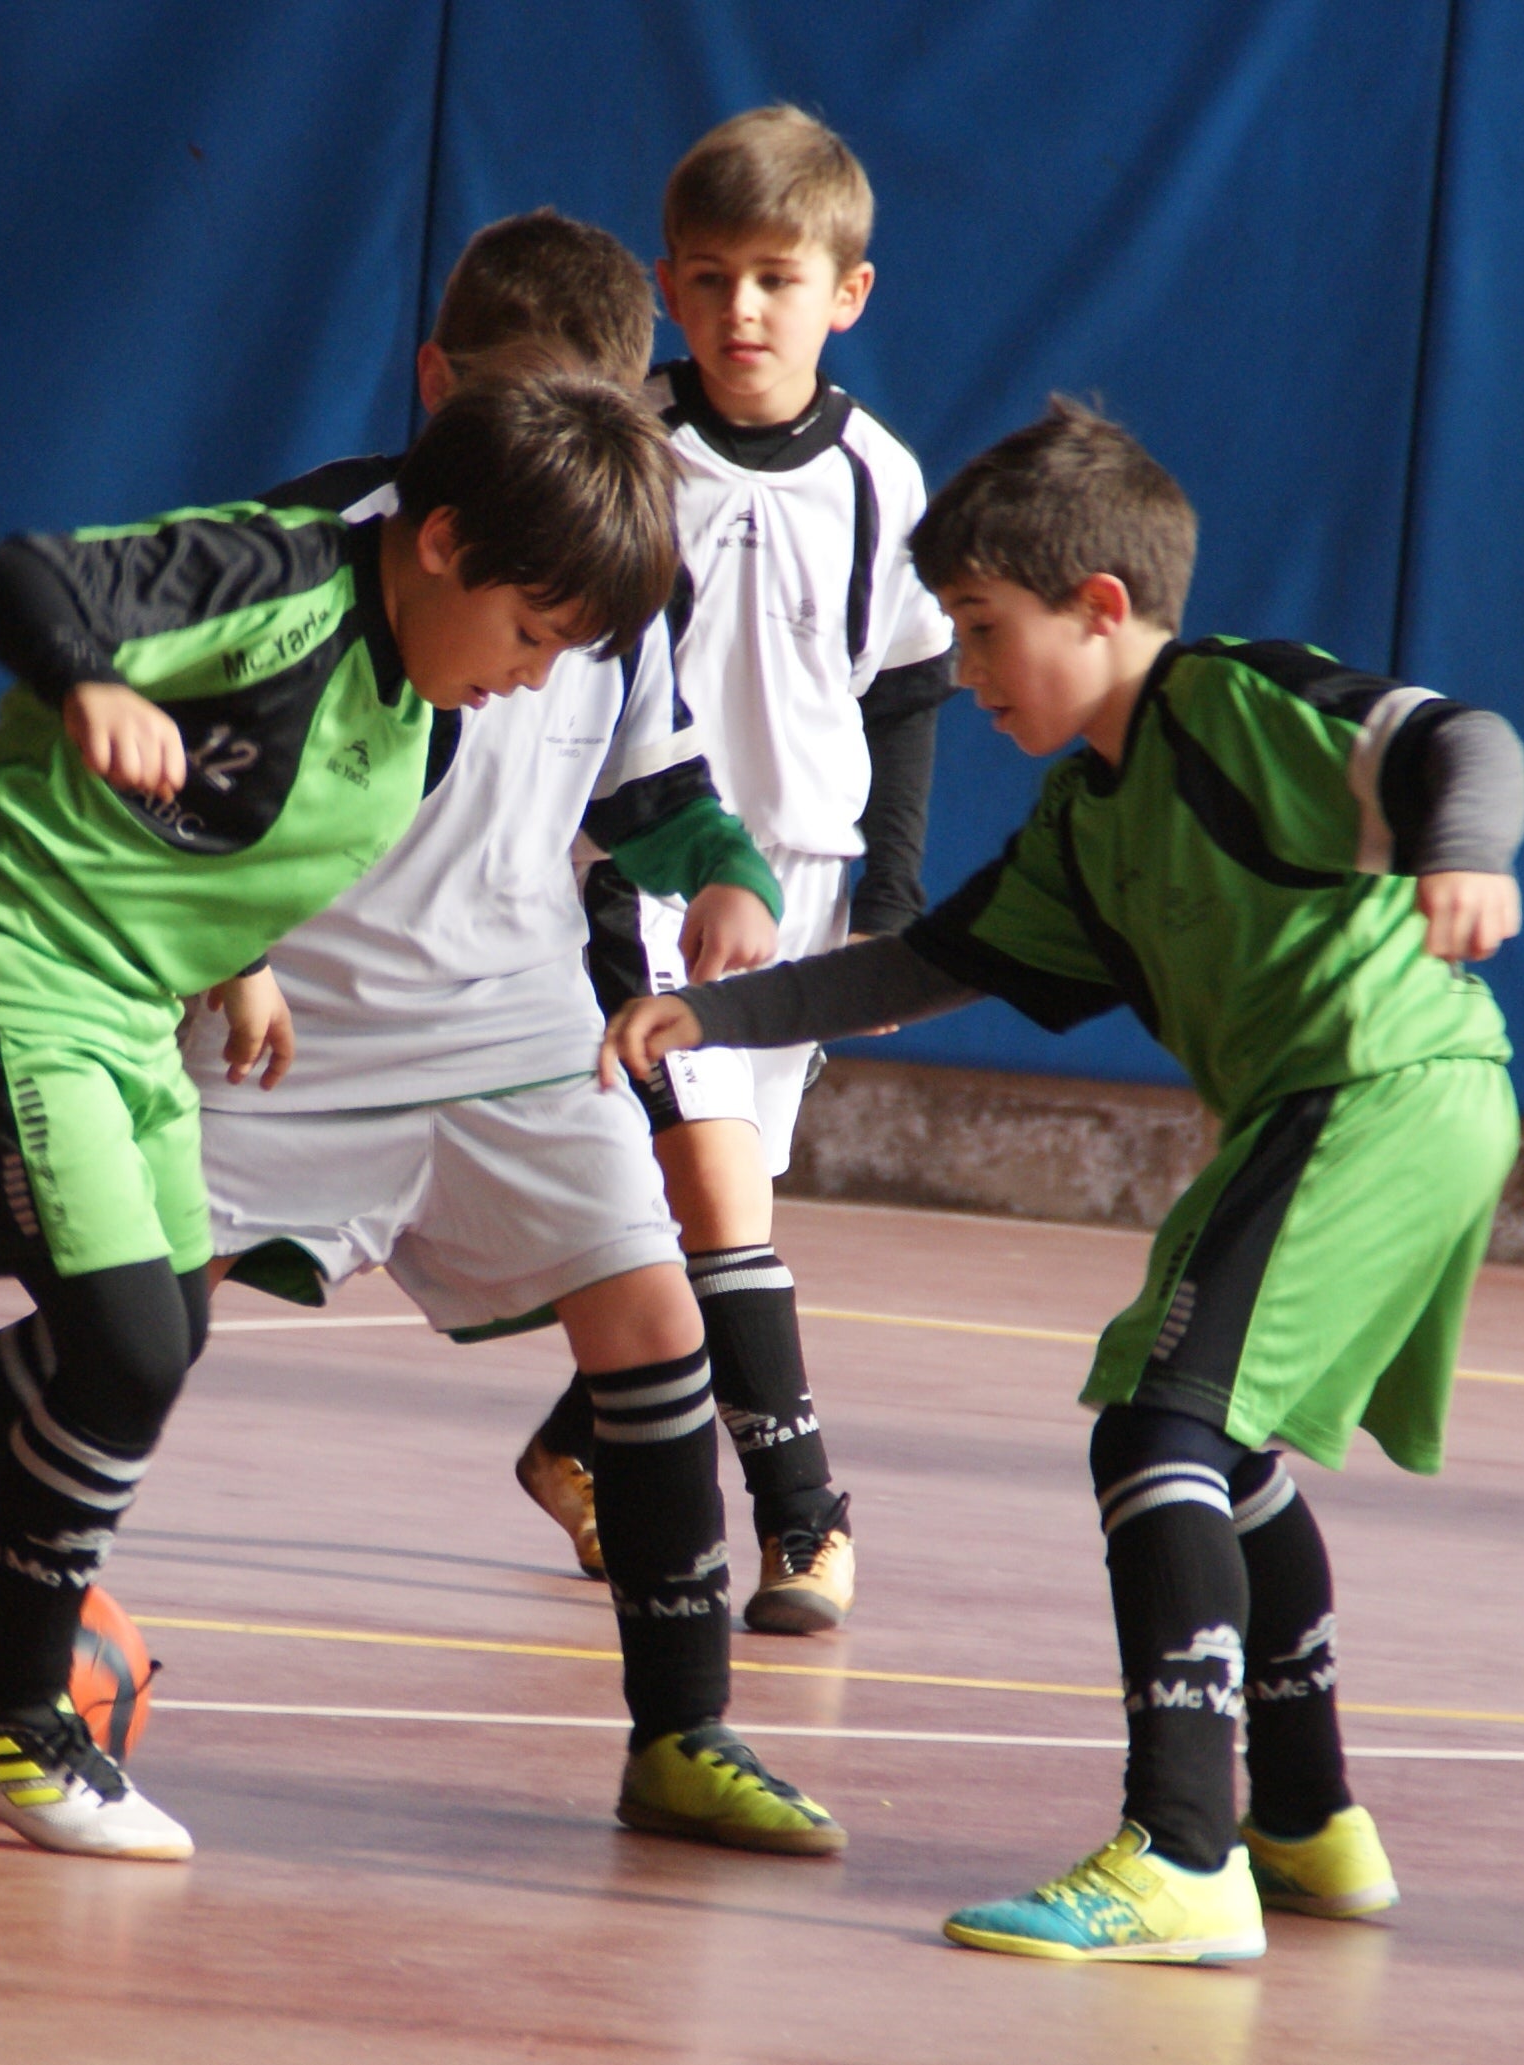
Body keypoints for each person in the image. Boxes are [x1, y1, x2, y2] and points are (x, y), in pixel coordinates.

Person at [602, 396, 1524, 1960]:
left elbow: (1460, 741)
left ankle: (1182, 1851)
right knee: (1219, 1456)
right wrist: (722, 1014)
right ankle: (1303, 1820)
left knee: (1155, 1429)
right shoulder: (1088, 816)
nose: (964, 677)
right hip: (1366, 1107)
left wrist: (1469, 846)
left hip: (1381, 1085)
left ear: (1102, 609)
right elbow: (923, 961)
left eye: (981, 632)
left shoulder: (1229, 705)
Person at [0, 366, 682, 1862]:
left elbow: (232, 813)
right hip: (0, 958)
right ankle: (6, 1722)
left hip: (118, 1010)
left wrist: (242, 965)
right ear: (440, 543)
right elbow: (18, 574)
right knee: (126, 1341)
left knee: (154, 1320)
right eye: (531, 632)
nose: (534, 677)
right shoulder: (275, 569)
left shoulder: (421, 704)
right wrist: (90, 677)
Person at [185, 210, 841, 1855]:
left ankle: (684, 1732)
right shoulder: (311, 544)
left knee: (650, 1316)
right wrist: (223, 939)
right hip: (298, 1019)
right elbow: (182, 767)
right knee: (124, 1332)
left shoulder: (627, 581)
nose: (562, 472)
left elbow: (653, 782)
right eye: (524, 418)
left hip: (510, 1020)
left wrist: (730, 875)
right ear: (440, 393)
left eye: (598, 429)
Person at [522, 106, 959, 1636]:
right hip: (647, 869)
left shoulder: (887, 482)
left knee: (725, 1211)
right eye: (706, 280)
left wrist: (889, 908)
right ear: (663, 286)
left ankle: (583, 1440)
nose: (740, 313)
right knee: (719, 1204)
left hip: (810, 879)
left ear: (847, 291)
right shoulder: (623, 451)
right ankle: (804, 1514)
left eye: (776, 278)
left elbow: (903, 693)